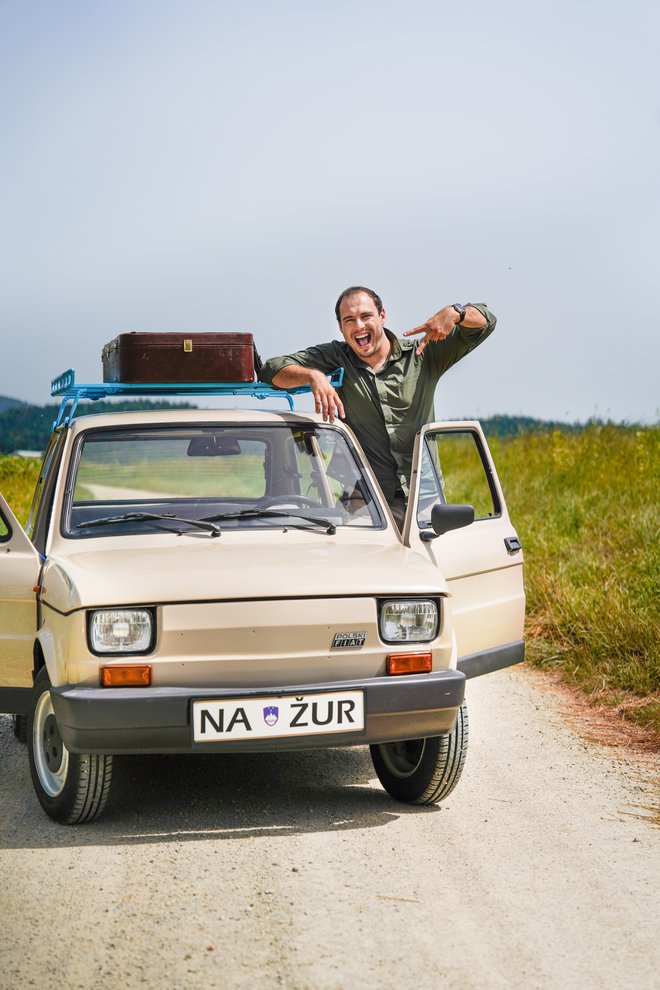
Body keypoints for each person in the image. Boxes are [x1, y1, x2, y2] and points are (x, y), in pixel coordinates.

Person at [260, 286, 496, 526]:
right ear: (341, 327)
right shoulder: (336, 357)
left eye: (366, 316)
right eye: (349, 320)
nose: (359, 326)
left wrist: (456, 312)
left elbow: (486, 322)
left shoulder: (423, 355)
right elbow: (272, 370)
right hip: (363, 499)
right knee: (360, 562)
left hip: (422, 497)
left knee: (429, 562)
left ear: (382, 316)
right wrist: (313, 376)